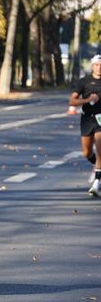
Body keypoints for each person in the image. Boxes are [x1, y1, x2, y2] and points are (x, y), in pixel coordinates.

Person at [69, 54, 101, 197]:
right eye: (97, 65)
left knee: (100, 150)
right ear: (92, 66)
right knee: (87, 153)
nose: (99, 67)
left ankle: (96, 183)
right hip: (87, 118)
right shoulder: (84, 81)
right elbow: (72, 101)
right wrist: (87, 100)